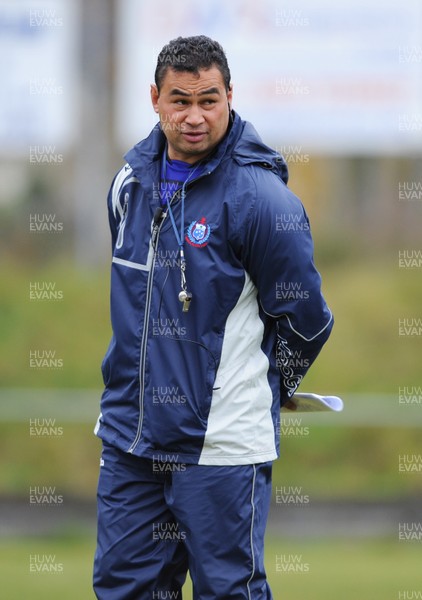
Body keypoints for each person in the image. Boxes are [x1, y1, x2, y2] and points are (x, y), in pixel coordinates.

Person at [93, 35, 333, 599]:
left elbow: (309, 317)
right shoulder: (128, 185)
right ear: (154, 98)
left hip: (221, 446)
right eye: (181, 100)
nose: (195, 116)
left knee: (229, 592)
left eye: (209, 100)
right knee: (123, 589)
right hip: (132, 439)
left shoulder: (262, 200)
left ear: (230, 96)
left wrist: (278, 382)